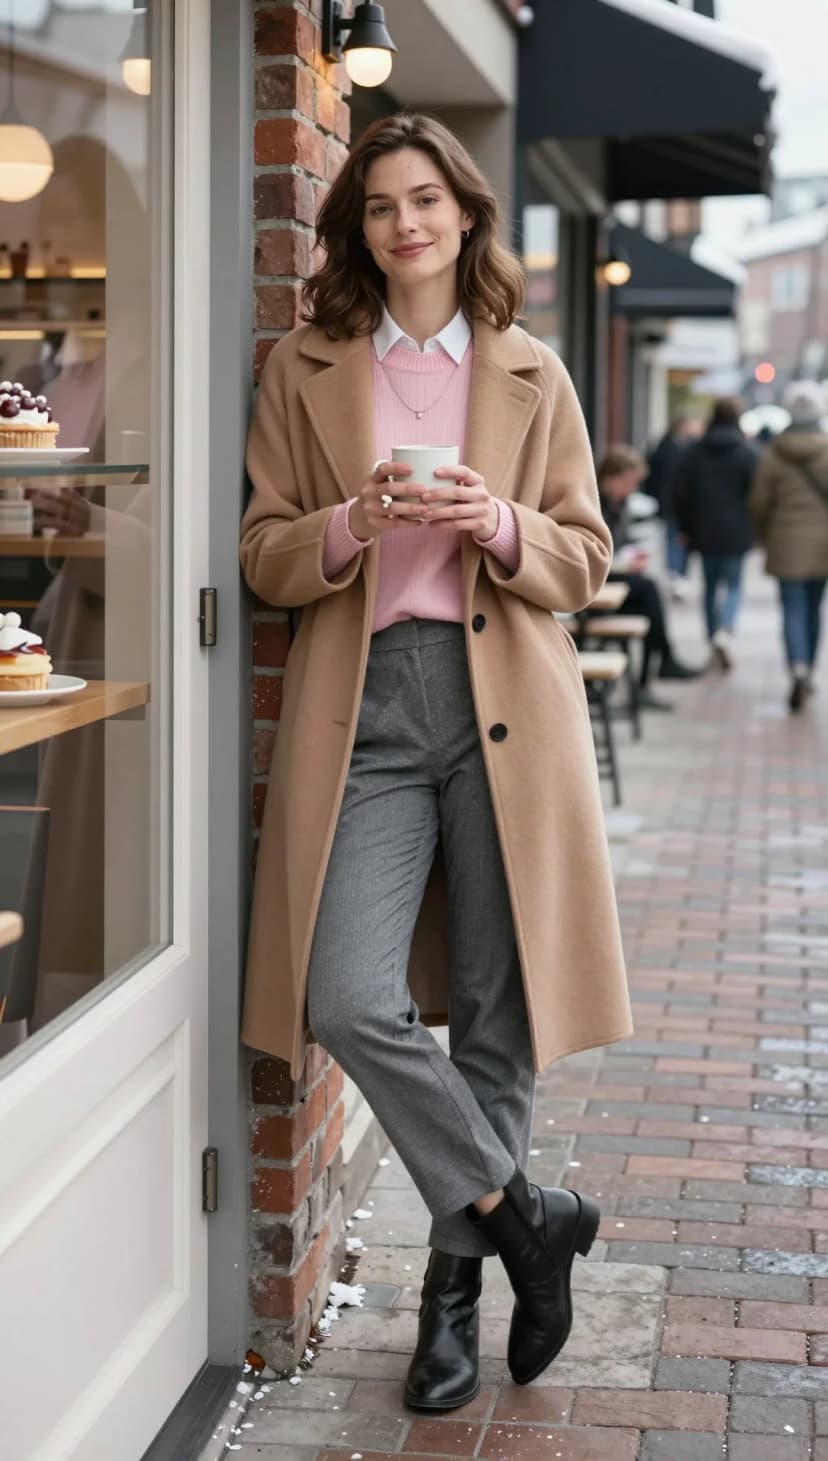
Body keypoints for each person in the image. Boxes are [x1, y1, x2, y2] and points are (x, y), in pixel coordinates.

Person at [238, 112, 632, 1410]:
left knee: (495, 1012)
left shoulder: (531, 370)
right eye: (380, 207)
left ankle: (451, 1300)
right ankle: (530, 1215)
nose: (405, 224)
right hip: (368, 707)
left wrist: (500, 520)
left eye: (426, 200)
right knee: (347, 992)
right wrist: (348, 523)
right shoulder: (306, 368)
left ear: (464, 213)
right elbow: (263, 555)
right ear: (359, 230)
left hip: (505, 700)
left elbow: (585, 558)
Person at [597, 445, 702, 710]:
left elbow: (618, 543)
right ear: (612, 479)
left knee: (648, 604)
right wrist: (622, 561)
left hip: (611, 581)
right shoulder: (597, 505)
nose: (632, 489)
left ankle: (650, 677)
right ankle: (663, 662)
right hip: (594, 588)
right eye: (629, 483)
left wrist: (632, 553)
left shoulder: (618, 505)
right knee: (649, 592)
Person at [751, 380, 828, 711]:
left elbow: (758, 501)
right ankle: (809, 669)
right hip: (824, 543)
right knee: (814, 609)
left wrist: (768, 535)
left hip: (785, 541)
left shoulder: (774, 453)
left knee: (792, 610)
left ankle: (796, 665)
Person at [673, 398, 757, 670]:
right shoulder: (746, 452)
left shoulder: (695, 451)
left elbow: (682, 492)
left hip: (704, 529)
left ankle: (712, 637)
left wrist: (684, 527)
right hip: (736, 529)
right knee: (733, 585)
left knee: (709, 588)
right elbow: (756, 494)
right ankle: (726, 629)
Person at [644, 415, 703, 599]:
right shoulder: (674, 449)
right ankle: (676, 575)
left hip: (678, 504)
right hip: (672, 503)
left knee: (678, 540)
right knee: (674, 540)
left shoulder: (680, 447)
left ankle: (678, 575)